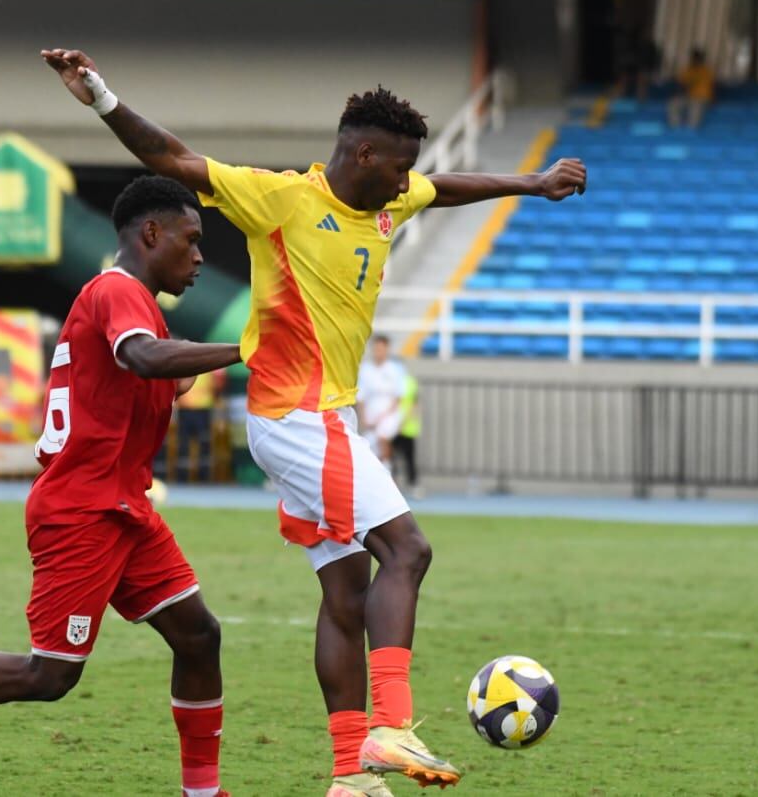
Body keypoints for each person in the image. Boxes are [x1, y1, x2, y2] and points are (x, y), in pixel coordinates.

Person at [41, 46, 586, 797]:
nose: (406, 182)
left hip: (321, 418)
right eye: (397, 167)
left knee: (346, 592)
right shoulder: (281, 200)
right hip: (299, 414)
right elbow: (170, 154)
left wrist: (531, 183)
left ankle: (348, 776)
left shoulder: (390, 198)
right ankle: (391, 724)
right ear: (362, 153)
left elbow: (447, 186)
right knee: (409, 549)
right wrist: (98, 95)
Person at [0, 176, 241, 796]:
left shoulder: (137, 305)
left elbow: (155, 377)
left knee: (199, 635)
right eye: (191, 240)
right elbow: (144, 360)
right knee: (51, 675)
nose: (199, 256)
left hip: (124, 506)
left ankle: (202, 792)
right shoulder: (117, 290)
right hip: (81, 509)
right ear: (151, 233)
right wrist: (243, 345)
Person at [356, 335, 407, 470]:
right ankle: (381, 471)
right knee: (371, 449)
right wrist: (364, 417)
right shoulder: (366, 369)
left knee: (382, 436)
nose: (379, 352)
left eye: (382, 349)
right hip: (371, 416)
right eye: (377, 348)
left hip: (389, 414)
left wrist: (383, 416)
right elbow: (361, 397)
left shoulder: (395, 369)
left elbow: (398, 396)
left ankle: (387, 469)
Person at [175, 367, 226, 482]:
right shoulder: (202, 362)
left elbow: (218, 386)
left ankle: (201, 476)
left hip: (202, 409)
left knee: (201, 443)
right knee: (185, 443)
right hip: (188, 408)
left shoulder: (206, 363)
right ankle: (186, 476)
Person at [667, 48, 716, 129]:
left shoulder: (707, 71)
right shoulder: (687, 70)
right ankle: (675, 128)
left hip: (703, 98)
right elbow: (681, 85)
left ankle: (691, 130)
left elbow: (713, 86)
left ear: (701, 59)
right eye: (694, 58)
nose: (695, 60)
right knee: (672, 104)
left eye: (698, 58)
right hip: (689, 97)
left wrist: (713, 99)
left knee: (695, 106)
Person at [392, 373, 421, 499]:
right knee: (392, 459)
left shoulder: (410, 382)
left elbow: (414, 404)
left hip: (407, 428)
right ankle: (394, 487)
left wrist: (403, 422)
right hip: (392, 427)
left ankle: (414, 486)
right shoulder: (390, 381)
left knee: (409, 459)